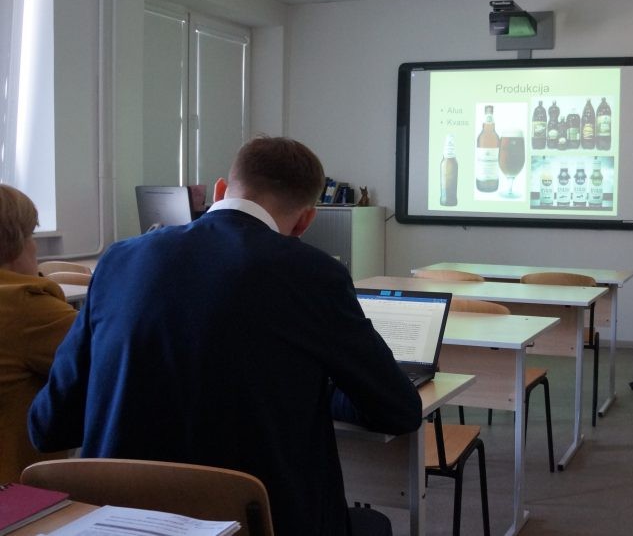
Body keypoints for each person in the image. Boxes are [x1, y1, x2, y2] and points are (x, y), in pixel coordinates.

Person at [28, 137, 422, 536]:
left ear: (220, 190)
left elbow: (48, 426)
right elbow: (398, 409)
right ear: (306, 220)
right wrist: (322, 390)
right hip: (257, 521)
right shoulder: (314, 274)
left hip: (117, 520)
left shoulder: (118, 259)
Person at [0, 185, 78, 483]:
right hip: (18, 492)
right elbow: (110, 363)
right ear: (15, 243)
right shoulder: (25, 307)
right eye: (32, 235)